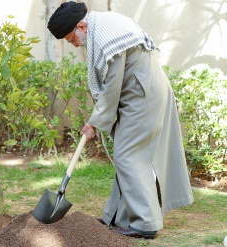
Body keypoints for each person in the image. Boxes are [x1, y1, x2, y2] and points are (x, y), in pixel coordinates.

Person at [47, 1, 194, 239]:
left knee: (128, 154)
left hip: (142, 97)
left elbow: (112, 85)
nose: (73, 45)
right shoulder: (104, 25)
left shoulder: (106, 36)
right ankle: (119, 217)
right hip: (141, 92)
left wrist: (94, 122)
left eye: (70, 39)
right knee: (130, 155)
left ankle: (146, 223)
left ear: (81, 26)